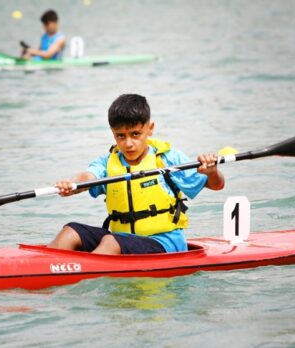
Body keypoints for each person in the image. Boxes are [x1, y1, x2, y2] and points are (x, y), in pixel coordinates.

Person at [47, 94, 225, 255]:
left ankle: (82, 277)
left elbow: (216, 185)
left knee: (110, 242)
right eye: (121, 136)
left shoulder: (168, 159)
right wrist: (72, 185)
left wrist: (212, 171)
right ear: (113, 133)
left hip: (164, 243)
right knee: (71, 231)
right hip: (120, 239)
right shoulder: (107, 163)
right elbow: (87, 177)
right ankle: (46, 271)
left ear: (150, 128)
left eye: (135, 134)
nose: (128, 143)